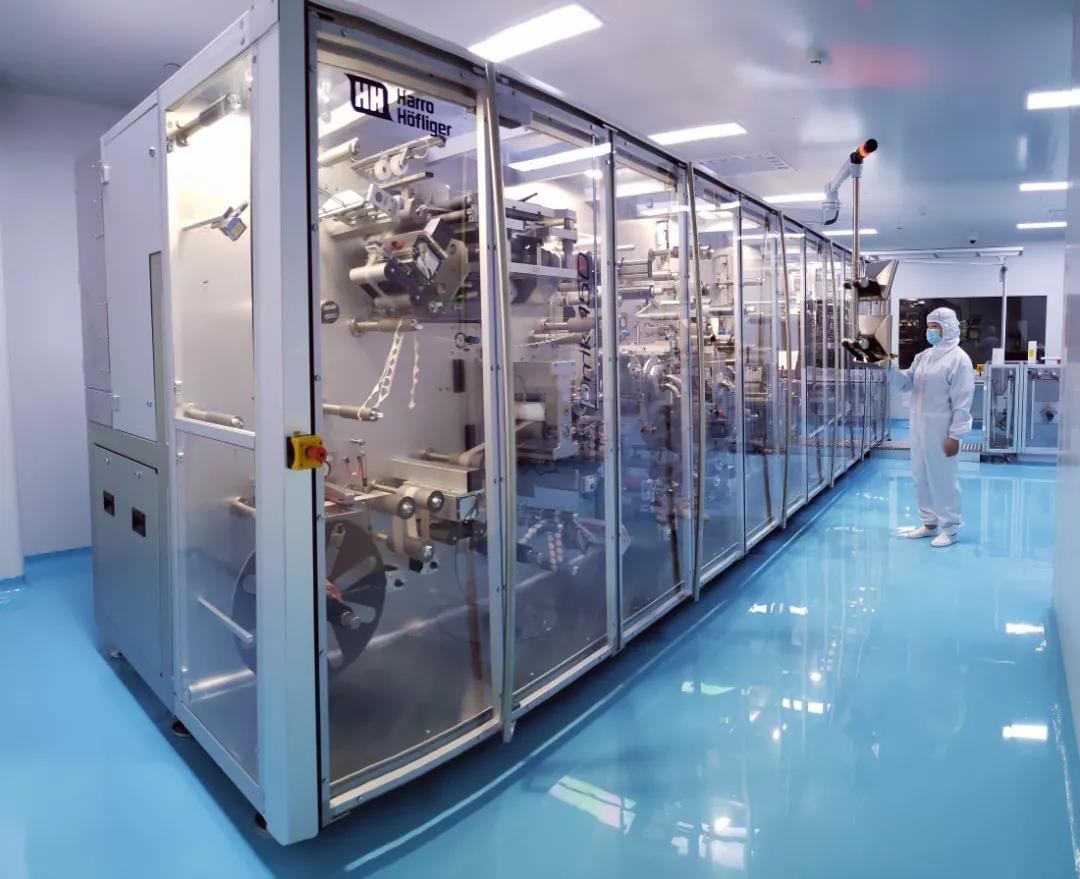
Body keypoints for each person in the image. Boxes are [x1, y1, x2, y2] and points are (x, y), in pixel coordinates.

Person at [891, 307, 975, 547]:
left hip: (941, 429)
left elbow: (963, 400)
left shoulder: (959, 359)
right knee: (920, 476)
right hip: (918, 425)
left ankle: (951, 528)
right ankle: (929, 523)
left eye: (935, 327)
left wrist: (955, 435)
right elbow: (905, 384)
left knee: (942, 478)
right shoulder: (924, 356)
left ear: (948, 328)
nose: (930, 331)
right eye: (928, 326)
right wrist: (888, 367)